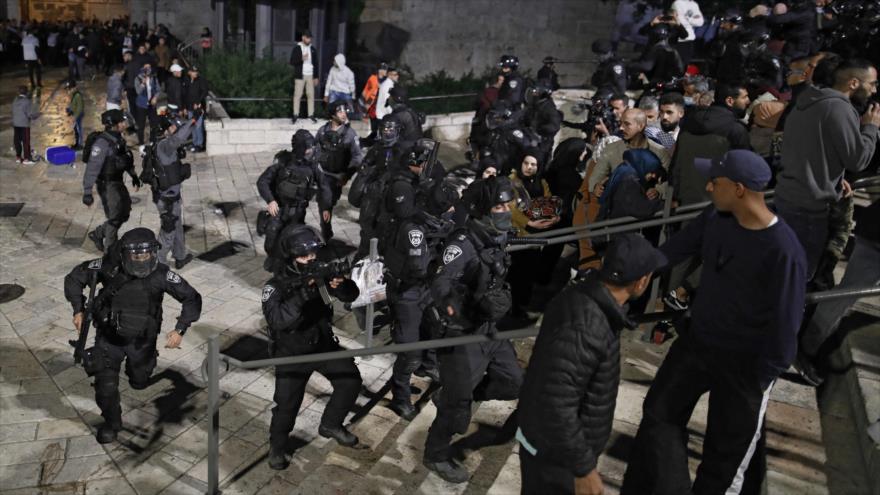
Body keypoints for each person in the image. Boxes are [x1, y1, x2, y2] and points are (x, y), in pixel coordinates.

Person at [621, 149, 807, 495]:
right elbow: (675, 249)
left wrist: (761, 377)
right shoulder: (716, 217)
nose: (708, 187)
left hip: (745, 366)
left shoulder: (784, 251)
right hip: (699, 342)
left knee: (724, 456)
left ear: (739, 189)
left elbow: (786, 322)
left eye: (715, 181)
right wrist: (625, 275)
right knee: (659, 414)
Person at [517, 234, 667, 495]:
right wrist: (583, 468)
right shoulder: (587, 325)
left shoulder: (585, 299)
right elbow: (557, 402)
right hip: (556, 459)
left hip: (554, 451)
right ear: (641, 281)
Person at [423, 175, 523, 483]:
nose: (506, 210)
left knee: (513, 382)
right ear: (483, 208)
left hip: (489, 327)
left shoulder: (497, 233)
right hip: (460, 333)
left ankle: (458, 392)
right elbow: (440, 282)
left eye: (509, 204)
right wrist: (452, 303)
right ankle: (435, 453)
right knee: (457, 409)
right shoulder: (464, 243)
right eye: (499, 205)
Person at [63, 227, 202, 444]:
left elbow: (191, 298)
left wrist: (181, 328)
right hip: (109, 338)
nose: (141, 259)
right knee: (106, 387)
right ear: (125, 254)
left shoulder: (161, 275)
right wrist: (78, 309)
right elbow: (74, 279)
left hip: (142, 341)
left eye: (146, 255)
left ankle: (141, 370)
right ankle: (112, 423)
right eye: (136, 255)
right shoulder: (109, 267)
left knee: (140, 380)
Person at [263, 225, 362, 470]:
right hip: (292, 353)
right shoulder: (275, 286)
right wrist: (303, 294)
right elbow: (277, 320)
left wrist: (341, 285)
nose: (311, 260)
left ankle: (331, 424)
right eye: (304, 256)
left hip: (322, 344)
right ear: (291, 257)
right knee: (287, 406)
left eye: (313, 255)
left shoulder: (319, 272)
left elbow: (351, 296)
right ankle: (277, 446)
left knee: (349, 380)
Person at [774, 59, 879, 280]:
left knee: (781, 268)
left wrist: (834, 175)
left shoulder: (807, 100)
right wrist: (870, 128)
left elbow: (813, 150)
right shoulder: (839, 107)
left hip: (787, 197)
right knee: (799, 275)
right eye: (872, 83)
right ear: (853, 83)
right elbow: (858, 160)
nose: (874, 89)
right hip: (810, 207)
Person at [796, 185, 879, 386]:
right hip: (875, 239)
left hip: (873, 230)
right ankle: (804, 350)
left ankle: (807, 347)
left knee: (842, 297)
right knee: (842, 297)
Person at [382, 140, 442, 420]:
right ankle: (400, 396)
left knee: (434, 326)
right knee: (409, 352)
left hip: (421, 288)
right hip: (408, 290)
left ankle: (428, 365)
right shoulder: (403, 194)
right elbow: (418, 264)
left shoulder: (415, 201)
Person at [257, 130, 332, 273]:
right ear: (300, 148)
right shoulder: (283, 161)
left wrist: (326, 206)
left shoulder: (313, 165)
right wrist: (271, 200)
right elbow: (263, 181)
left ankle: (294, 267)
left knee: (297, 241)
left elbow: (324, 187)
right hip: (279, 209)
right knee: (272, 239)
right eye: (308, 148)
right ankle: (275, 261)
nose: (311, 151)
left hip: (298, 212)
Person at [508, 150, 559, 321]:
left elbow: (548, 201)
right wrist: (528, 223)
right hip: (518, 235)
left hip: (535, 237)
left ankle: (522, 305)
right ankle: (513, 308)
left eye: (533, 164)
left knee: (528, 272)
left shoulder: (541, 182)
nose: (529, 168)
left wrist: (553, 215)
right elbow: (511, 209)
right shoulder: (511, 183)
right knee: (515, 273)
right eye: (526, 163)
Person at [84, 110, 141, 253]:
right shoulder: (102, 143)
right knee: (114, 218)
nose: (124, 124)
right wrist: (87, 192)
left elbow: (125, 160)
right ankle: (111, 255)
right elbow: (92, 168)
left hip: (117, 182)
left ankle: (97, 233)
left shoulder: (118, 139)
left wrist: (134, 176)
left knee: (125, 211)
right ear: (114, 125)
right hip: (107, 184)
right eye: (121, 122)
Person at [315, 99, 364, 240]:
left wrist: (347, 175)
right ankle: (326, 230)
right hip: (323, 174)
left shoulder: (350, 134)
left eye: (345, 111)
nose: (344, 114)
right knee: (324, 203)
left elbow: (357, 157)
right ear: (332, 114)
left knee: (328, 202)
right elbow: (315, 150)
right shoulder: (322, 131)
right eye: (340, 111)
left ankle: (326, 228)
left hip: (338, 176)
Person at [151, 114, 196, 269]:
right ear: (164, 130)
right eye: (170, 126)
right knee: (168, 231)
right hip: (168, 198)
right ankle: (158, 264)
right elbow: (179, 138)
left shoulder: (157, 143)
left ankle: (180, 256)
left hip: (168, 195)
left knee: (177, 226)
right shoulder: (164, 145)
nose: (173, 128)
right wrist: (193, 120)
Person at [597, 148, 667, 221]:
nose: (653, 176)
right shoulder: (628, 179)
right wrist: (666, 205)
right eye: (651, 171)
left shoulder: (624, 171)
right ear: (642, 164)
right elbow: (639, 208)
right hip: (619, 229)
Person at [524, 79, 562, 162]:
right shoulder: (535, 105)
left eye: (535, 92)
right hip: (530, 141)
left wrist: (538, 130)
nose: (533, 94)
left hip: (542, 145)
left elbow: (554, 126)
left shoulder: (549, 108)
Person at [290, 30, 318, 124]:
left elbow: (316, 64)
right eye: (307, 37)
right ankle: (295, 114)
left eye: (310, 38)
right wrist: (301, 59)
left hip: (310, 75)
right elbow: (292, 61)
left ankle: (311, 114)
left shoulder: (313, 49)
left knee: (311, 95)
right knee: (297, 95)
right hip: (300, 75)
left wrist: (316, 76)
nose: (309, 39)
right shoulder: (297, 48)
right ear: (303, 37)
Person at [183, 65, 209, 152]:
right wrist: (185, 107)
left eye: (196, 71)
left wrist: (198, 102)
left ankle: (200, 144)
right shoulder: (187, 80)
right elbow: (186, 95)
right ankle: (194, 143)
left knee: (198, 126)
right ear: (189, 72)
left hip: (198, 108)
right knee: (192, 126)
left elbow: (205, 92)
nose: (196, 73)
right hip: (190, 107)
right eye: (194, 72)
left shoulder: (201, 80)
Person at [12, 85, 40, 165]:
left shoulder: (15, 100)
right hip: (24, 124)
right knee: (26, 141)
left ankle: (18, 157)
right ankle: (27, 158)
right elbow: (30, 114)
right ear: (26, 92)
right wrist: (37, 115)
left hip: (16, 124)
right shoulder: (27, 101)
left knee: (17, 141)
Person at [671, 0, 705, 65]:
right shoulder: (677, 2)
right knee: (674, 65)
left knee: (684, 66)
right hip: (678, 40)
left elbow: (700, 22)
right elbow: (680, 21)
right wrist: (693, 18)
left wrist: (688, 18)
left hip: (689, 40)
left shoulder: (694, 4)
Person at [361, 62, 388, 143]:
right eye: (383, 69)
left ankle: (379, 141)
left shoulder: (387, 81)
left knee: (382, 126)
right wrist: (365, 106)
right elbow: (366, 91)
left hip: (382, 107)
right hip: (372, 106)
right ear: (379, 70)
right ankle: (372, 142)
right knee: (374, 126)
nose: (384, 71)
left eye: (385, 69)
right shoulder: (372, 78)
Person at [134, 63, 160, 145]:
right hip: (141, 105)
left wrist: (155, 97)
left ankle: (153, 140)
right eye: (146, 68)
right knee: (141, 125)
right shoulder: (138, 78)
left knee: (154, 123)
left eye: (149, 67)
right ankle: (141, 142)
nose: (148, 69)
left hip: (152, 104)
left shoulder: (154, 78)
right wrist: (143, 84)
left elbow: (158, 89)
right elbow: (138, 92)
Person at [66, 79, 85, 150]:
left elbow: (80, 108)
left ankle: (80, 144)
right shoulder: (74, 95)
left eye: (70, 89)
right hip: (75, 115)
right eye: (68, 89)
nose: (69, 91)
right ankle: (77, 143)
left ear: (75, 87)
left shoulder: (78, 95)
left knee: (79, 130)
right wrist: (70, 110)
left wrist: (75, 117)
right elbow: (74, 105)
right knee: (76, 130)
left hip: (78, 115)